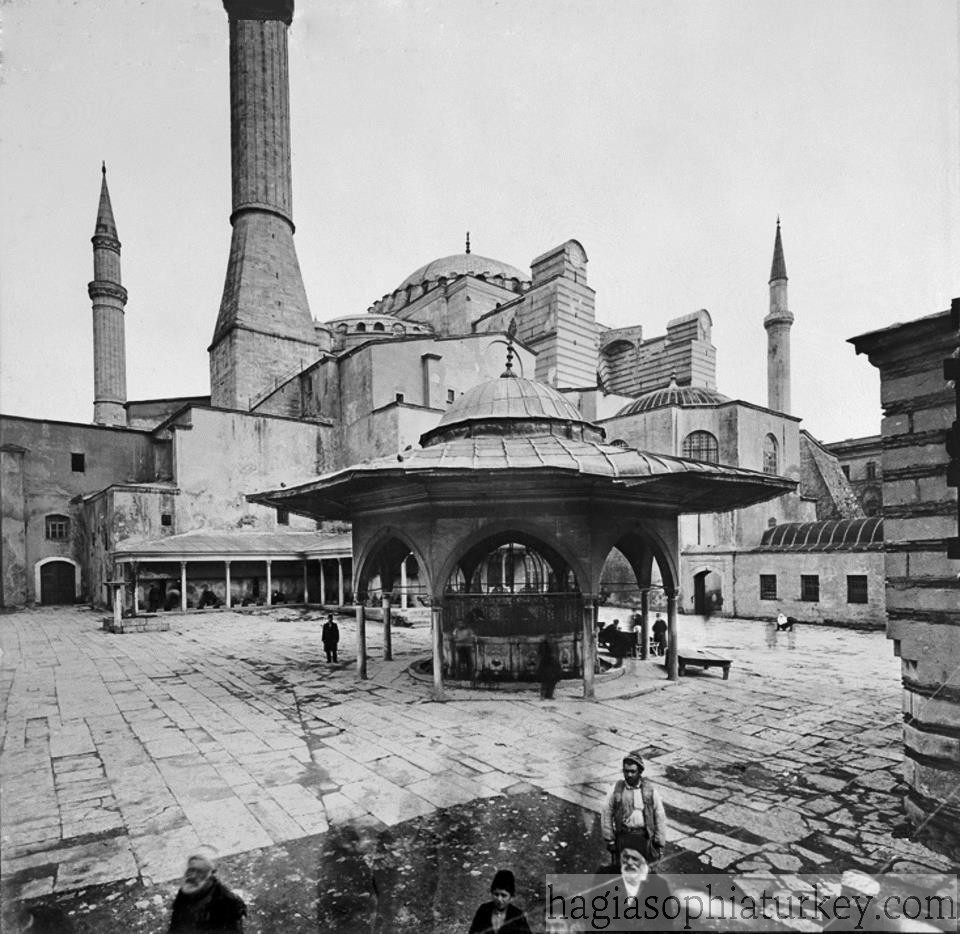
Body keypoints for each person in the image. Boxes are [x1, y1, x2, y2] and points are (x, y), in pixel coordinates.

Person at [601, 750, 667, 868]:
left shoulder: (650, 791)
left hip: (644, 839)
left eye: (633, 771)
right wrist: (610, 840)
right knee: (622, 870)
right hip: (623, 838)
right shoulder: (616, 790)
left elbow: (659, 816)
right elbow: (606, 813)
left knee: (644, 872)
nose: (629, 775)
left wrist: (659, 842)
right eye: (626, 771)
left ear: (640, 772)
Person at [168, 849, 246, 933]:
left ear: (210, 878)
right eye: (190, 871)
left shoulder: (226, 903)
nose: (193, 876)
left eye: (200, 873)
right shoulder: (185, 892)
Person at [468, 869, 532, 934]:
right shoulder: (484, 910)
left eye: (503, 895)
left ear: (511, 897)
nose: (499, 899)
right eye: (496, 894)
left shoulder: (517, 916)